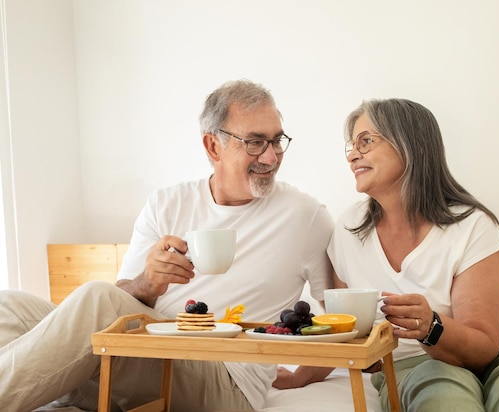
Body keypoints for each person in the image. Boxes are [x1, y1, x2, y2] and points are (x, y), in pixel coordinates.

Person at [0, 79, 334, 411]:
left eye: (277, 141)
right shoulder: (167, 204)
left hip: (226, 379)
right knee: (9, 308)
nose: (272, 156)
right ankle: (75, 391)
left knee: (96, 298)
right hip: (150, 349)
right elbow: (122, 298)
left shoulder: (304, 215)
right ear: (213, 146)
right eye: (256, 143)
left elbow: (343, 318)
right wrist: (148, 283)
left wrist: (301, 376)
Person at [277, 98, 499, 411]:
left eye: (367, 141)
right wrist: (300, 376)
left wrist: (432, 325)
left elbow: (483, 346)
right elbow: (350, 331)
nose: (353, 155)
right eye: (352, 145)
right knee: (441, 400)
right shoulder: (350, 229)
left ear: (411, 146)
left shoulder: (471, 225)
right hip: (415, 361)